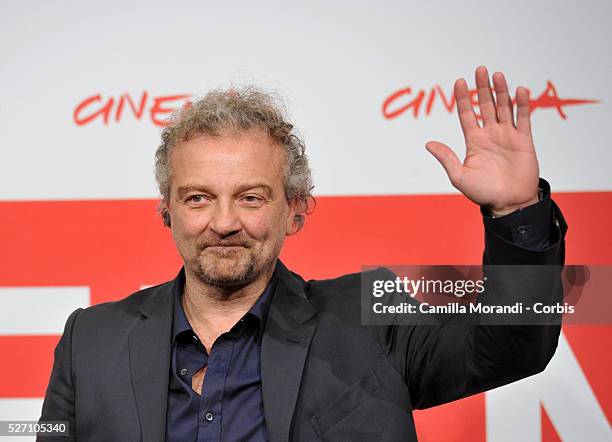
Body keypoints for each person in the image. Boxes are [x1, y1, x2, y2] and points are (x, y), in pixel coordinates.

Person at [38, 66, 567, 441]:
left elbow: (512, 345)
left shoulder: (369, 318)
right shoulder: (92, 341)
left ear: (295, 210)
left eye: (250, 198)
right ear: (167, 212)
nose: (223, 223)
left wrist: (515, 212)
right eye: (198, 198)